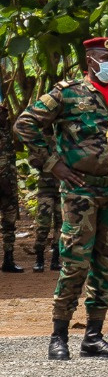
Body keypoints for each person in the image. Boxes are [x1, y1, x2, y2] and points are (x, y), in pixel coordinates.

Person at [16, 36, 108, 360]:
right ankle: (59, 335)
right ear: (90, 60)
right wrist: (52, 164)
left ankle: (94, 335)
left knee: (106, 263)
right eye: (105, 57)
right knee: (75, 262)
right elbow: (25, 124)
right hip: (80, 192)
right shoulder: (68, 93)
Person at [0, 101, 22, 273]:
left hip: (9, 186)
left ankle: (8, 259)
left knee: (9, 222)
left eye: (5, 113)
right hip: (4, 184)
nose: (4, 116)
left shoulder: (6, 132)